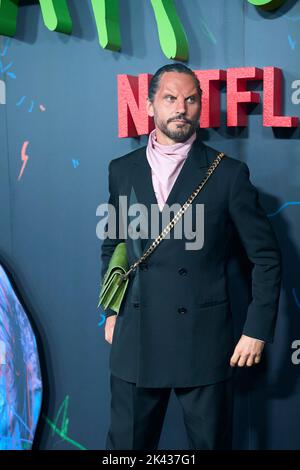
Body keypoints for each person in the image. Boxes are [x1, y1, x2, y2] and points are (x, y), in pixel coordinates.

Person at [100, 63, 282, 450]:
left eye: (190, 99)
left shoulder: (228, 174)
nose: (180, 108)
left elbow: (266, 258)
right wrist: (112, 310)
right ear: (150, 106)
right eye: (169, 98)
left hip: (202, 341)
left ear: (200, 107)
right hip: (136, 341)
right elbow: (114, 244)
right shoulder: (121, 171)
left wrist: (256, 328)